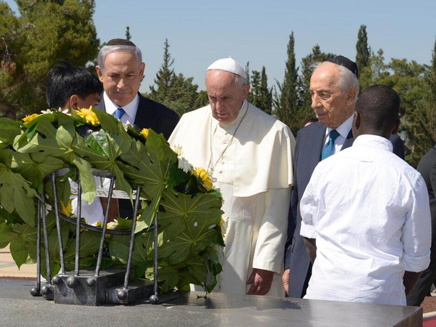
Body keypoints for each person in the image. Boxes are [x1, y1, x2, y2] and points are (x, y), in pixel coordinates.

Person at [169, 58, 295, 296]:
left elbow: (277, 209)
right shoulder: (188, 122)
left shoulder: (274, 132)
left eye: (226, 98)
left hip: (246, 247)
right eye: (211, 98)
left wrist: (266, 263)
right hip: (195, 242)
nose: (217, 107)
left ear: (244, 92)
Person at [283, 56, 406, 298]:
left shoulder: (385, 144)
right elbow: (296, 206)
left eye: (324, 95)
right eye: (311, 94)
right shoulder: (306, 138)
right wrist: (289, 261)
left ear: (350, 95)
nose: (314, 104)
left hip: (353, 285)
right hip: (301, 275)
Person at [299, 84, 431, 305]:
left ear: (355, 120)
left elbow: (309, 234)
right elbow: (416, 259)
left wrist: (332, 276)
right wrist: (385, 292)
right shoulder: (410, 179)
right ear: (396, 126)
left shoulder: (325, 169)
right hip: (382, 301)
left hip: (324, 296)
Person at [96, 38, 179, 218]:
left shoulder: (166, 121)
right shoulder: (83, 119)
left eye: (130, 75)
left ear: (141, 71)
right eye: (114, 76)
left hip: (149, 234)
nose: (122, 85)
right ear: (100, 73)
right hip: (88, 235)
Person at [46, 61, 104, 224]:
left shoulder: (36, 139)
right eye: (95, 104)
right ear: (75, 103)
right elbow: (109, 197)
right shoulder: (96, 142)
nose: (96, 112)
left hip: (48, 238)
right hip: (93, 237)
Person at [407, 146, 436, 306]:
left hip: (430, 227)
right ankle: (405, 313)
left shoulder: (430, 155)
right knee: (424, 277)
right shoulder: (434, 161)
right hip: (433, 231)